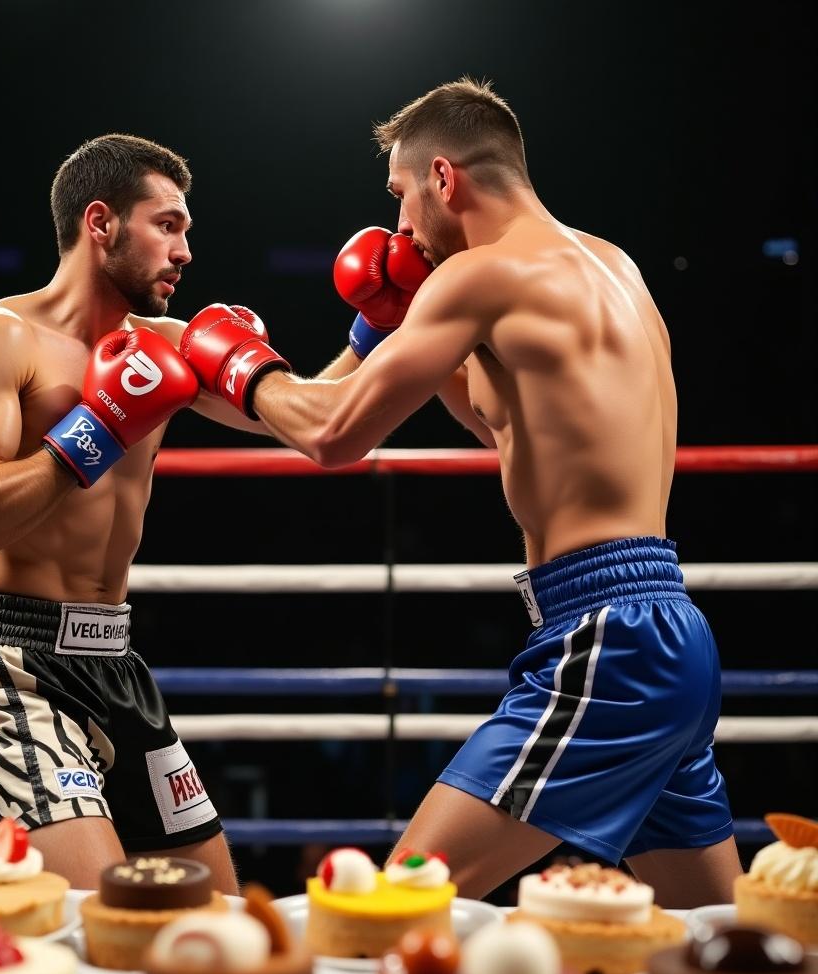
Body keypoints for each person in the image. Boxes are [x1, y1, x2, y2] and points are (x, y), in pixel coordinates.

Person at [178, 78, 743, 907]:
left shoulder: (479, 280)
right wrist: (376, 331)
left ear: (444, 179)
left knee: (392, 910)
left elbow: (330, 432)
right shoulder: (613, 268)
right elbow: (505, 426)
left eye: (402, 196)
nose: (400, 227)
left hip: (606, 645)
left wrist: (235, 358)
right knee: (725, 949)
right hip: (670, 634)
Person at [0, 133, 265, 891]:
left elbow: (318, 425)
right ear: (100, 223)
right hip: (12, 661)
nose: (186, 250)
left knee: (216, 916)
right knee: (105, 914)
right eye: (169, 224)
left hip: (115, 660)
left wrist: (378, 322)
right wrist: (96, 431)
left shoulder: (174, 346)